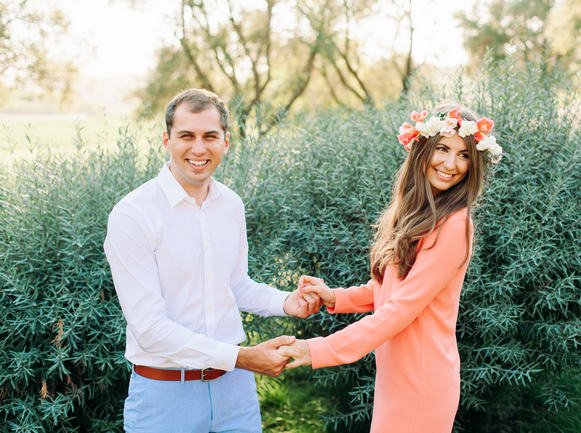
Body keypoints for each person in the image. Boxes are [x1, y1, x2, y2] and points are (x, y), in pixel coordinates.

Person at [103, 88, 320, 433]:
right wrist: (243, 358)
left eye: (210, 136)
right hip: (164, 397)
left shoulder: (231, 204)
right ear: (166, 140)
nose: (199, 148)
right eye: (186, 136)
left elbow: (235, 285)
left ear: (226, 141)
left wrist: (288, 302)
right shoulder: (132, 215)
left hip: (236, 395)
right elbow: (149, 329)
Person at [278, 104, 503, 433]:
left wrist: (317, 349)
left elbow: (401, 309)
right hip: (397, 376)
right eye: (442, 148)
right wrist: (335, 297)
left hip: (421, 383)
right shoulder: (418, 212)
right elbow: (389, 289)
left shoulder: (456, 224)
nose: (451, 164)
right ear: (422, 148)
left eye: (463, 155)